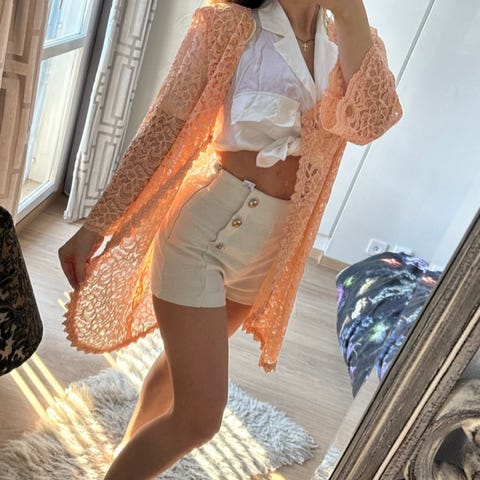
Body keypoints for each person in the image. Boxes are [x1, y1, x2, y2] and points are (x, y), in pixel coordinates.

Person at [58, 0, 402, 478]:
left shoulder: (351, 40)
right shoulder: (226, 26)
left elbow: (371, 122)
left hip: (266, 252)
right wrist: (96, 226)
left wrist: (349, 14)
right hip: (201, 235)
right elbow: (162, 130)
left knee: (178, 369)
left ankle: (129, 454)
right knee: (200, 419)